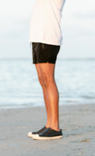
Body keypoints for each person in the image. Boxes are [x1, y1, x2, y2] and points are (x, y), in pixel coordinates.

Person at [28, 0, 66, 140]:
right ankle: (49, 124)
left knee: (48, 80)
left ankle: (55, 127)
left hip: (48, 37)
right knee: (43, 80)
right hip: (37, 36)